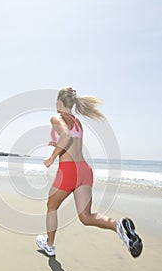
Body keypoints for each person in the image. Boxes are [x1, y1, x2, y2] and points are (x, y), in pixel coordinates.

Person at [36, 87, 143, 258]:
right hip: (85, 171)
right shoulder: (77, 121)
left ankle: (50, 246)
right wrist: (56, 145)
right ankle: (118, 226)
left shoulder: (56, 117)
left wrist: (51, 158)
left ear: (59, 102)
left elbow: (66, 137)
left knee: (51, 207)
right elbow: (71, 140)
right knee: (86, 217)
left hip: (69, 171)